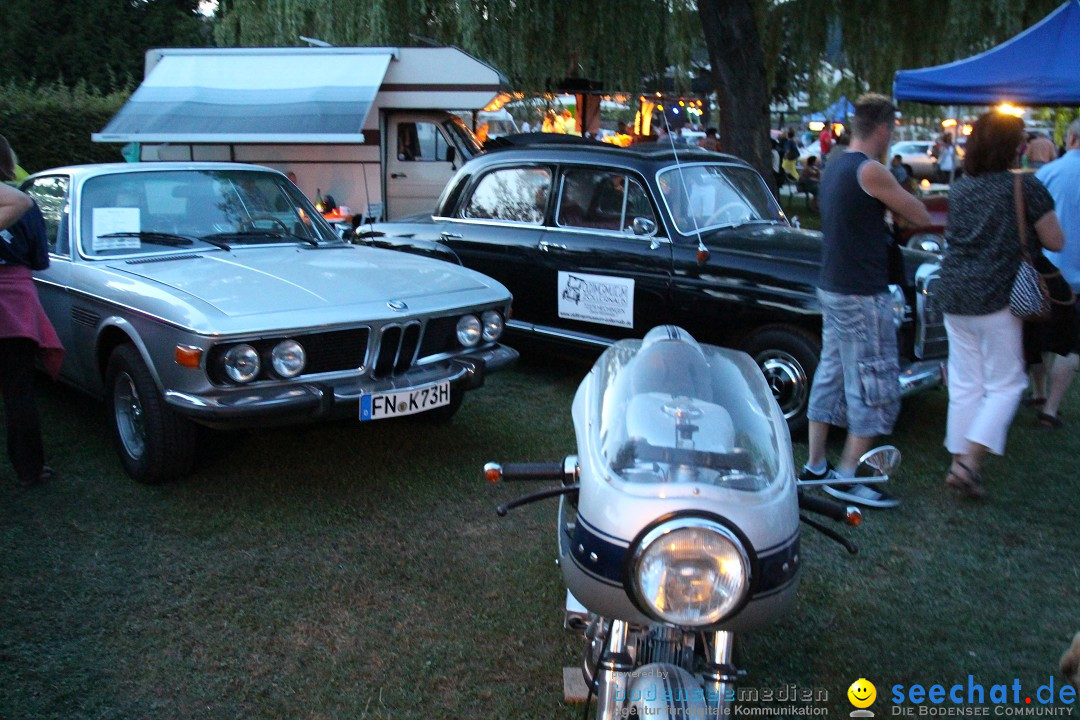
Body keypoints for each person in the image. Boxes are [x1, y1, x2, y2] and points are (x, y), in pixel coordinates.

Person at [798, 93, 932, 508]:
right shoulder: (871, 171)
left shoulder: (835, 165)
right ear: (884, 129)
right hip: (862, 292)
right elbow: (921, 215)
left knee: (832, 375)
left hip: (834, 287)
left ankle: (816, 465)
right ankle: (846, 477)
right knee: (874, 384)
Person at [932, 111, 1064, 498]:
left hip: (954, 292)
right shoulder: (1025, 188)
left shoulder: (961, 188)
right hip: (998, 296)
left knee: (965, 383)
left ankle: (960, 462)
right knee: (1007, 384)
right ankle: (970, 463)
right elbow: (1055, 241)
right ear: (1014, 147)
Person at [0, 178, 64, 489]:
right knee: (18, 392)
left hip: (14, 302)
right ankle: (30, 470)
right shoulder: (22, 202)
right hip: (16, 305)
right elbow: (40, 260)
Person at [1028, 118, 1080, 427]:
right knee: (1073, 344)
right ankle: (1051, 408)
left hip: (1047, 272)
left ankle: (1038, 390)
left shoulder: (1048, 172)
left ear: (1070, 138)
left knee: (1040, 335)